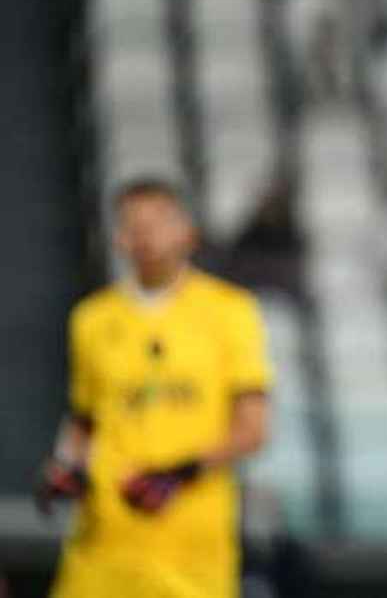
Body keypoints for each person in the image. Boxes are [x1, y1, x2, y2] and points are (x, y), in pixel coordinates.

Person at [35, 179, 272, 598]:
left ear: (188, 233)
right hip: (105, 544)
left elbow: (252, 429)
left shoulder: (229, 312)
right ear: (119, 239)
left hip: (191, 548)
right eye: (133, 225)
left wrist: (179, 473)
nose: (146, 236)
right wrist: (65, 467)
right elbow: (85, 419)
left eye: (158, 223)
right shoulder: (91, 319)